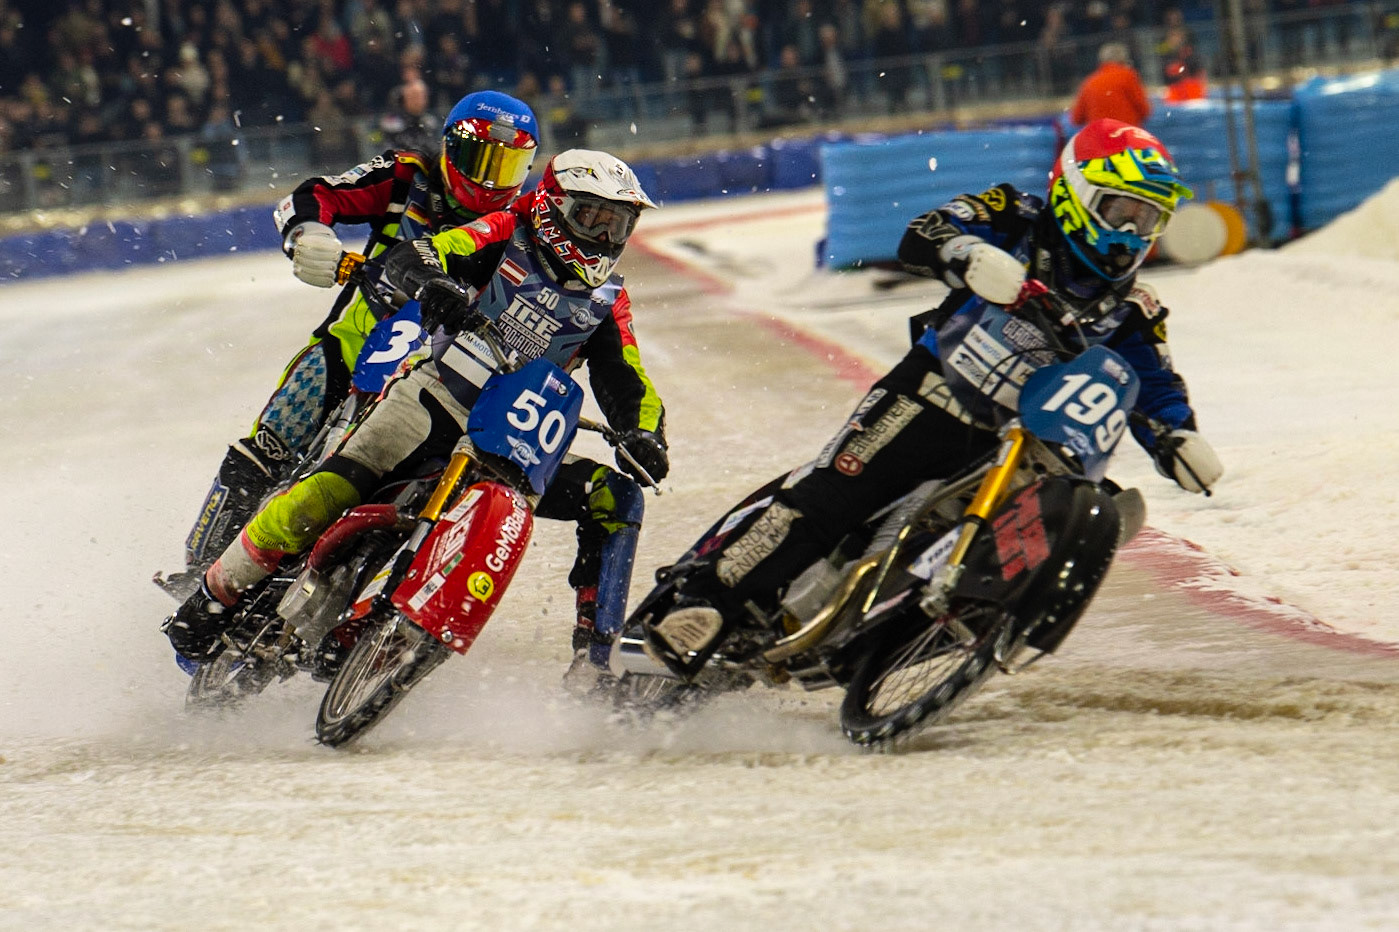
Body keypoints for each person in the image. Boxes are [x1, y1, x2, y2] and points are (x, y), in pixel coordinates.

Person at [643, 119, 1224, 678]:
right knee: (834, 492)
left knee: (1087, 512)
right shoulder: (1015, 215)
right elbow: (927, 230)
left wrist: (1177, 434)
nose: (1131, 233)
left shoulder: (1135, 310)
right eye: (1121, 212)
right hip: (934, 393)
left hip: (1023, 447)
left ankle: (915, 638)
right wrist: (965, 254)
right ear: (1077, 194)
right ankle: (704, 603)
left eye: (1148, 219)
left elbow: (1155, 381)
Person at [166, 149, 668, 687]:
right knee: (329, 488)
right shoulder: (506, 230)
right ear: (554, 206)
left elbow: (627, 376)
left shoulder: (608, 300)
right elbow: (424, 251)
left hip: (517, 441)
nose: (603, 236)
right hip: (436, 395)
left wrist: (645, 433)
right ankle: (215, 591)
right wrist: (434, 284)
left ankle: (595, 659)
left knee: (618, 497)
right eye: (592, 217)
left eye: (618, 224)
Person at [174, 91, 540, 594]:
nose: (492, 180)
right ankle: (199, 569)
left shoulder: (523, 225)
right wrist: (309, 232)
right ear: (452, 149)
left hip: (445, 371)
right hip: (353, 342)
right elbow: (318, 193)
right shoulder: (406, 176)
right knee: (272, 443)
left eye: (508, 165)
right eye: (482, 160)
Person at [1070, 42, 1151, 128]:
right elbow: (1144, 110)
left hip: (1101, 134)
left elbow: (1076, 119)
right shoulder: (1128, 76)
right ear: (1123, 60)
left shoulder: (1088, 82)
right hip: (1125, 132)